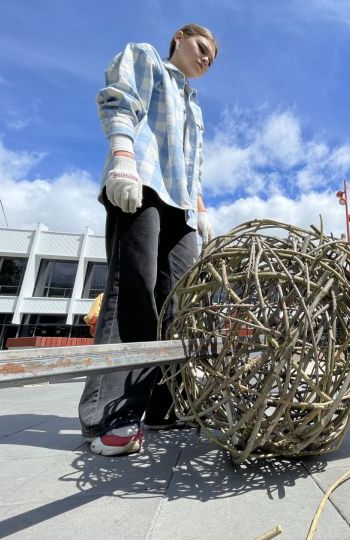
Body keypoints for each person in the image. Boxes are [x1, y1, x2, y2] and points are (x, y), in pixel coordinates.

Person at [78, 24, 218, 456]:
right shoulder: (146, 58)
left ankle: (161, 405)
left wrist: (200, 207)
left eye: (212, 59)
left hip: (182, 206)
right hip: (141, 184)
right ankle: (109, 415)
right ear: (179, 38)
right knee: (133, 288)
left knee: (179, 303)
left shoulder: (195, 107)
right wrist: (123, 155)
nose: (205, 60)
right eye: (201, 49)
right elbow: (120, 100)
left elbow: (193, 164)